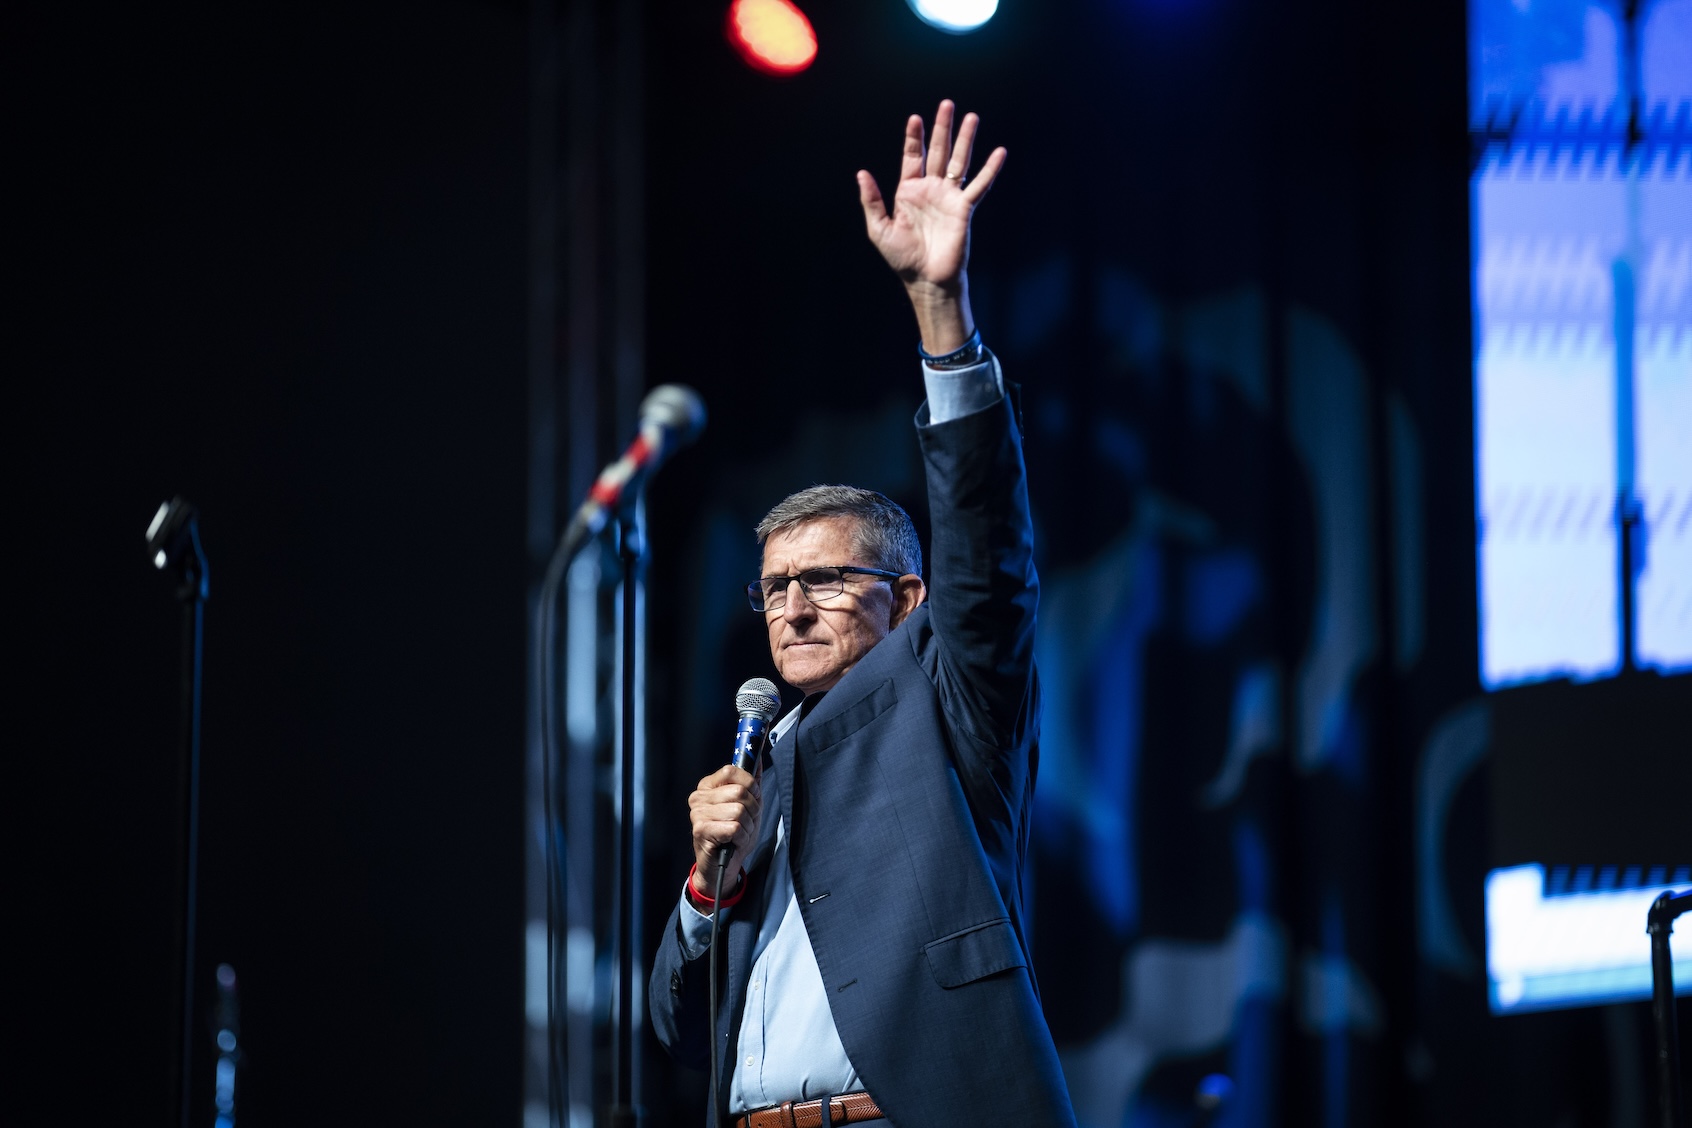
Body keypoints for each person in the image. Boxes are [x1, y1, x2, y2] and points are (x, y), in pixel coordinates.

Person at [649, 100, 1077, 1128]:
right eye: (775, 589)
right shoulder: (756, 763)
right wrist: (711, 883)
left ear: (910, 600)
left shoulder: (949, 699)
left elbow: (988, 559)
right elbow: (669, 1013)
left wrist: (943, 315)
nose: (792, 609)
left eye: (826, 580)